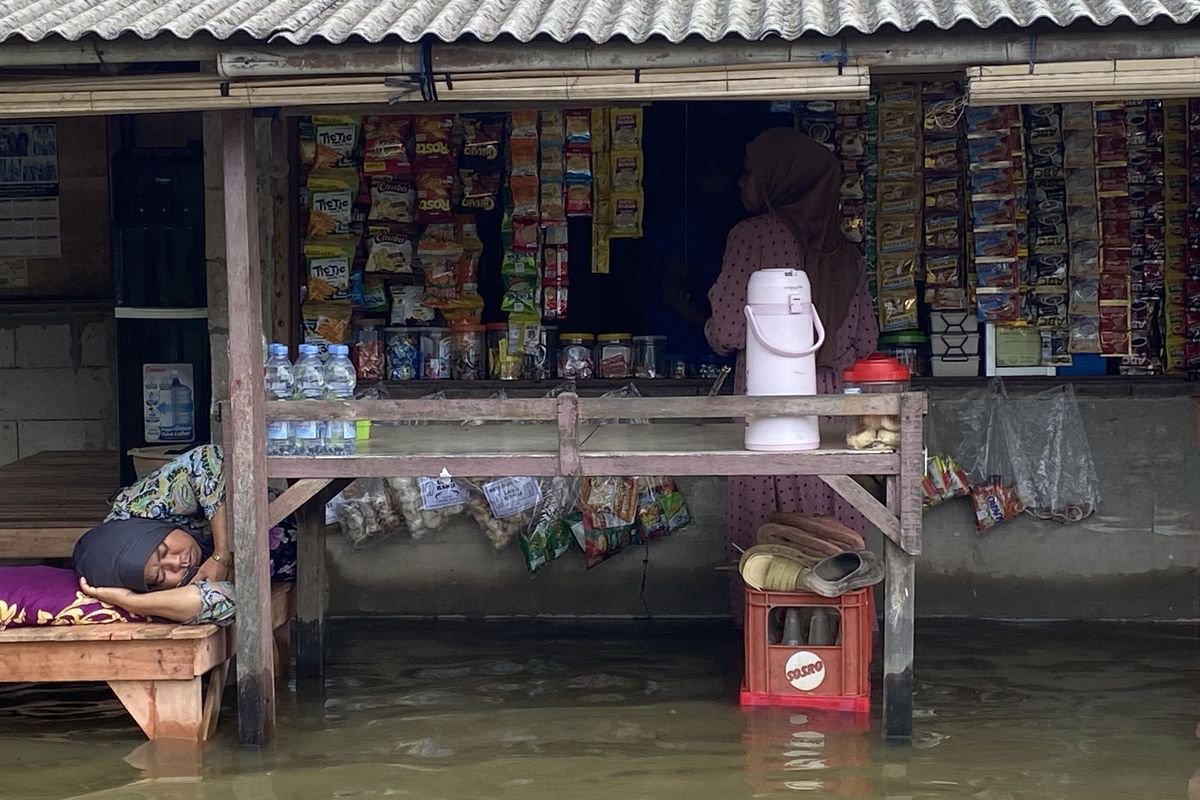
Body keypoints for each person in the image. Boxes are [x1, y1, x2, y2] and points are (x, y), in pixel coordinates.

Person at [704, 127, 879, 621]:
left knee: (764, 535)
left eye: (750, 173)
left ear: (782, 183)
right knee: (831, 529)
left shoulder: (752, 237)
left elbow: (727, 329)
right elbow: (866, 343)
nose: (742, 183)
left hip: (768, 400)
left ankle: (767, 643)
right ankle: (840, 636)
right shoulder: (847, 254)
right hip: (831, 415)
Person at [72, 444, 296, 626]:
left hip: (300, 512)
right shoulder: (161, 592)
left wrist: (221, 554)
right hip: (299, 564)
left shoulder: (138, 508)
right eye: (160, 578)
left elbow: (207, 460)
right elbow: (227, 602)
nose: (178, 562)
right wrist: (134, 602)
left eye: (163, 550)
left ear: (153, 530)